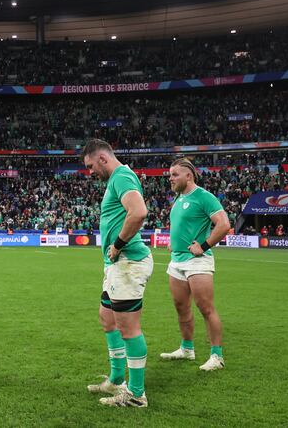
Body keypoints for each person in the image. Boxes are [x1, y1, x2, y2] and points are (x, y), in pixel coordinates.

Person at [82, 139, 153, 408]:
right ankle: (116, 378)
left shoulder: (122, 176)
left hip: (128, 262)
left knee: (127, 327)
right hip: (117, 265)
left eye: (90, 166)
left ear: (102, 158)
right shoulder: (116, 180)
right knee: (107, 318)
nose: (90, 172)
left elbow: (139, 212)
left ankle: (136, 394)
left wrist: (119, 244)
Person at [160, 158, 230, 371]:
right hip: (177, 260)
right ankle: (187, 349)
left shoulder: (204, 197)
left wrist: (203, 245)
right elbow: (183, 225)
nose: (170, 179)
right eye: (170, 175)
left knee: (205, 308)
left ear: (188, 176)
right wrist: (174, 242)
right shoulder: (179, 198)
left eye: (174, 175)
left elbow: (224, 224)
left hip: (197, 262)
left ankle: (216, 357)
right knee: (181, 307)